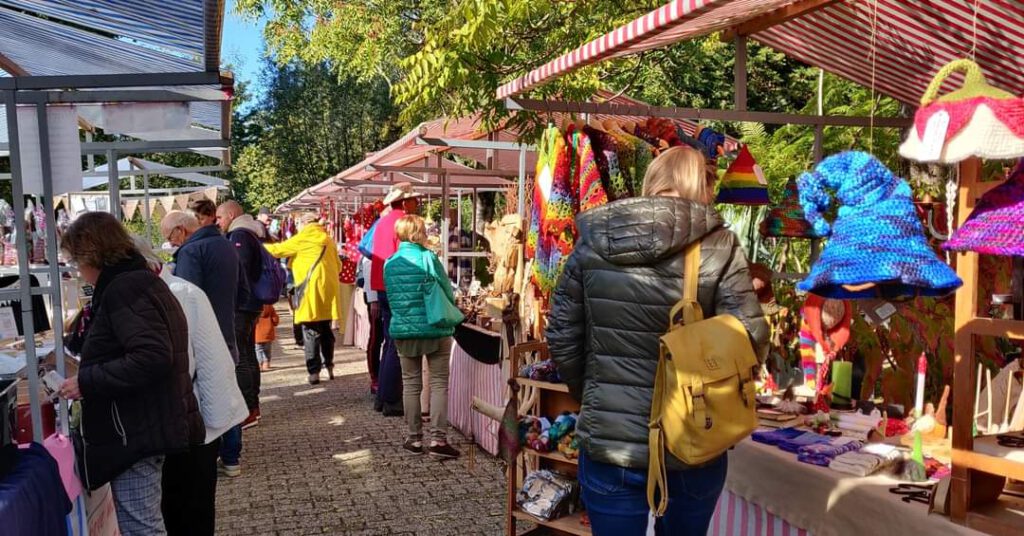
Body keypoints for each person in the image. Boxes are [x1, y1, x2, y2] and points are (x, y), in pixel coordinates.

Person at [545, 146, 769, 536]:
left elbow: (562, 334)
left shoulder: (595, 240)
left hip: (610, 442)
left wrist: (594, 393)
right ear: (699, 184)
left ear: (653, 181)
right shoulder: (719, 245)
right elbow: (752, 337)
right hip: (695, 436)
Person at [58, 212, 204, 536]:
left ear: (90, 254)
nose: (78, 271)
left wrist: (87, 381)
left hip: (137, 430)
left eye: (76, 262)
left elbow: (152, 356)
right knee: (144, 524)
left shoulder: (126, 288)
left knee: (142, 528)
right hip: (143, 424)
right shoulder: (136, 281)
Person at [132, 237, 247, 536]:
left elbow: (208, 363)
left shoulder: (181, 294)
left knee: (187, 509)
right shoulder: (176, 292)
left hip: (191, 423)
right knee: (182, 508)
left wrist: (213, 425)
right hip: (185, 422)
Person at [159, 210, 245, 478]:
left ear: (180, 231)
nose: (171, 244)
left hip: (204, 335)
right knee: (228, 389)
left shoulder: (191, 253)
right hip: (227, 328)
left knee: (211, 393)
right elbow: (244, 291)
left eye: (170, 239)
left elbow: (184, 301)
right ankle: (232, 456)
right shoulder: (227, 245)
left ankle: (214, 454)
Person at [383, 215, 461, 458]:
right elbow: (446, 290)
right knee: (438, 384)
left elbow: (391, 297)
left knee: (411, 384)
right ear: (419, 233)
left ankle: (414, 439)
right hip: (434, 328)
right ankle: (438, 441)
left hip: (404, 331)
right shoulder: (428, 257)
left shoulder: (390, 263)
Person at [265, 212, 342, 385]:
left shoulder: (303, 237)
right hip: (328, 290)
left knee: (310, 331)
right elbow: (339, 265)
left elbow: (277, 250)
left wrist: (256, 243)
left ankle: (313, 371)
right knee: (326, 329)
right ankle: (328, 365)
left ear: (304, 224)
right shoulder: (327, 239)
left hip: (309, 290)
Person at [370, 182, 423, 416]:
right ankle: (391, 399)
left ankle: (383, 396)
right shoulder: (403, 223)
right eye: (414, 199)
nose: (417, 202)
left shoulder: (383, 221)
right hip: (396, 288)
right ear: (404, 202)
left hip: (382, 286)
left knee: (388, 343)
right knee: (395, 344)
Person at [216, 200, 265, 429]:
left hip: (242, 304)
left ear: (232, 214)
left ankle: (249, 408)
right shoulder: (250, 232)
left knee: (242, 356)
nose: (218, 222)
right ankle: (253, 406)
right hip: (251, 303)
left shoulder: (239, 235)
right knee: (248, 355)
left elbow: (240, 268)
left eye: (220, 217)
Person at [255, 303, 279, 371]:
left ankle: (259, 364)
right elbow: (275, 320)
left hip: (257, 333)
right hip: (268, 333)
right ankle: (266, 363)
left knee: (258, 350)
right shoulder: (270, 306)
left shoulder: (254, 307)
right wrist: (275, 322)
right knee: (267, 350)